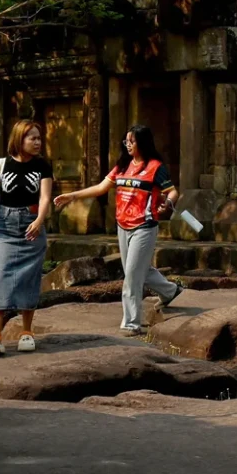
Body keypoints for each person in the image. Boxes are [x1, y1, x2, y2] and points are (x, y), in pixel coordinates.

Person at [54, 125, 182, 335]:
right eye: (126, 141)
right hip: (123, 225)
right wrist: (73, 195)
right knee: (138, 269)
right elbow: (101, 188)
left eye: (132, 141)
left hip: (144, 226)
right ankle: (170, 291)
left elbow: (173, 192)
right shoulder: (122, 166)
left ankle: (132, 323)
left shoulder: (155, 167)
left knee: (132, 274)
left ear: (143, 142)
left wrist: (167, 203)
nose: (128, 145)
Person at [0, 119, 54, 354]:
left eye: (39, 138)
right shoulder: (1, 165)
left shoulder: (42, 166)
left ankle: (26, 332)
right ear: (19, 139)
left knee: (30, 275)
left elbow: (45, 198)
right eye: (32, 138)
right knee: (0, 275)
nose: (37, 142)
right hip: (4, 226)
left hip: (31, 224)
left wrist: (39, 221)